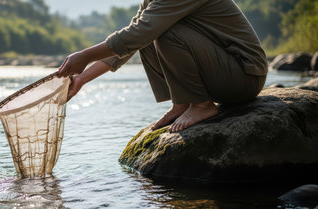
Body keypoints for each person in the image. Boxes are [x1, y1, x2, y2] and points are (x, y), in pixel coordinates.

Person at [57, 0, 267, 133]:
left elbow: (139, 34)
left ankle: (202, 105)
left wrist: (84, 55)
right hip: (226, 75)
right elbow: (132, 42)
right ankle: (183, 103)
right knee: (148, 35)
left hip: (244, 75)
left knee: (163, 33)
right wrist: (82, 78)